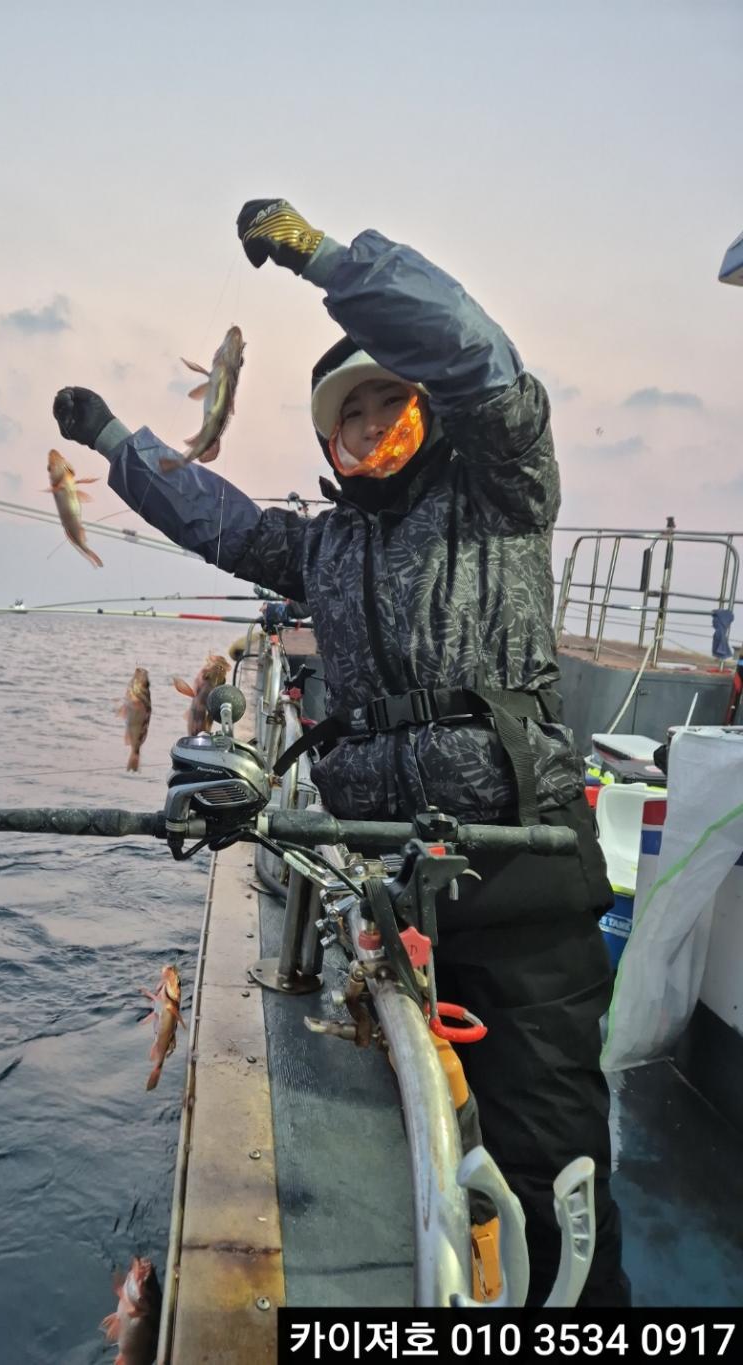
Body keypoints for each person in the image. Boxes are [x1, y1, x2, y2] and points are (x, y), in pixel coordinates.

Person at [53, 198, 630, 1307]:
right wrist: (119, 444)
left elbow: (477, 357)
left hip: (519, 876)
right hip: (390, 883)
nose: (369, 426)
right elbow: (213, 519)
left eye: (389, 400)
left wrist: (334, 263)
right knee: (436, 1141)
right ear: (326, 443)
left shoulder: (498, 489)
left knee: (551, 1163)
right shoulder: (320, 546)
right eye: (346, 415)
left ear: (430, 407)